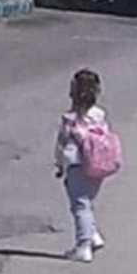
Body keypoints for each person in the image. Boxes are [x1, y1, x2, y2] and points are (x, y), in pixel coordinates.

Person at [54, 68, 110, 263]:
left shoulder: (69, 120)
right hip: (97, 165)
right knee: (87, 201)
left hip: (77, 164)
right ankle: (92, 233)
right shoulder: (99, 115)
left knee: (80, 205)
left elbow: (61, 145)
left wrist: (60, 165)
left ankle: (83, 245)